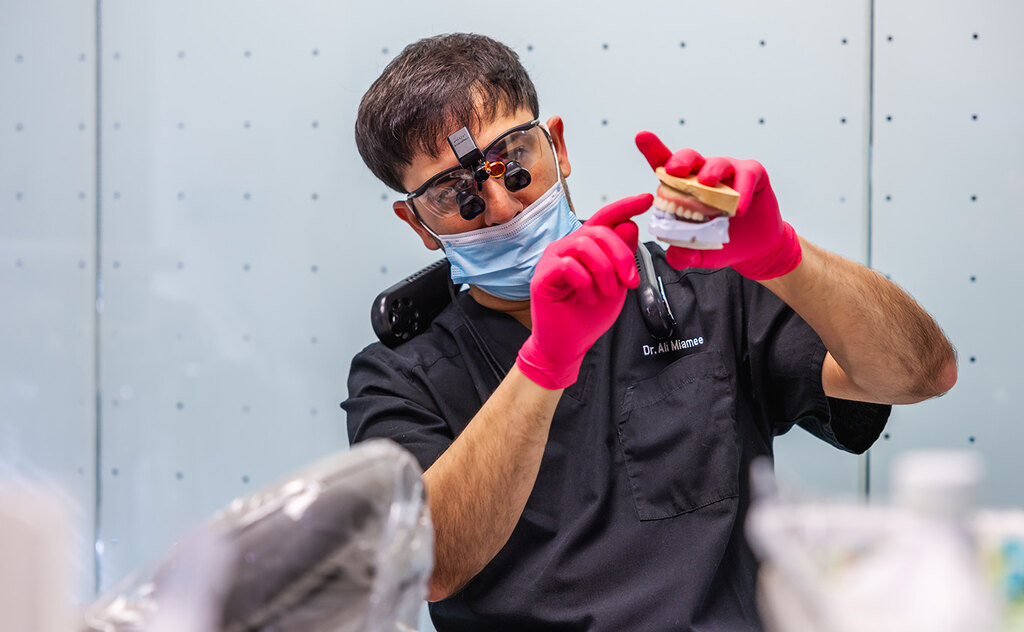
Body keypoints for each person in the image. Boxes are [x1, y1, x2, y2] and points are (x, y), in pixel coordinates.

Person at [343, 33, 957, 631]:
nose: (503, 205)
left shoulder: (707, 294)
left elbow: (923, 374)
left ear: (556, 144)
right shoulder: (397, 377)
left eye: (514, 162)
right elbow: (433, 565)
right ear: (419, 223)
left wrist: (782, 258)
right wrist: (546, 361)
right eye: (457, 194)